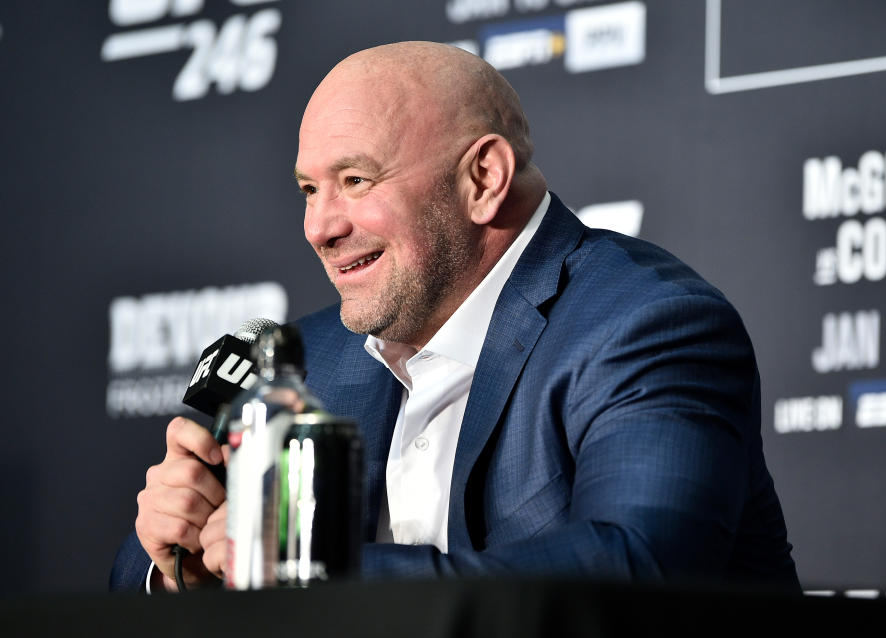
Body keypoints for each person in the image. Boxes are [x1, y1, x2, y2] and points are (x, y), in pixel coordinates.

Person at [111, 41, 799, 593]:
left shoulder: (647, 325)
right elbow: (137, 573)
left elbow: (636, 574)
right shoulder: (309, 361)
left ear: (483, 180)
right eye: (308, 189)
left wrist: (307, 570)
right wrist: (181, 561)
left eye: (355, 180)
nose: (318, 226)